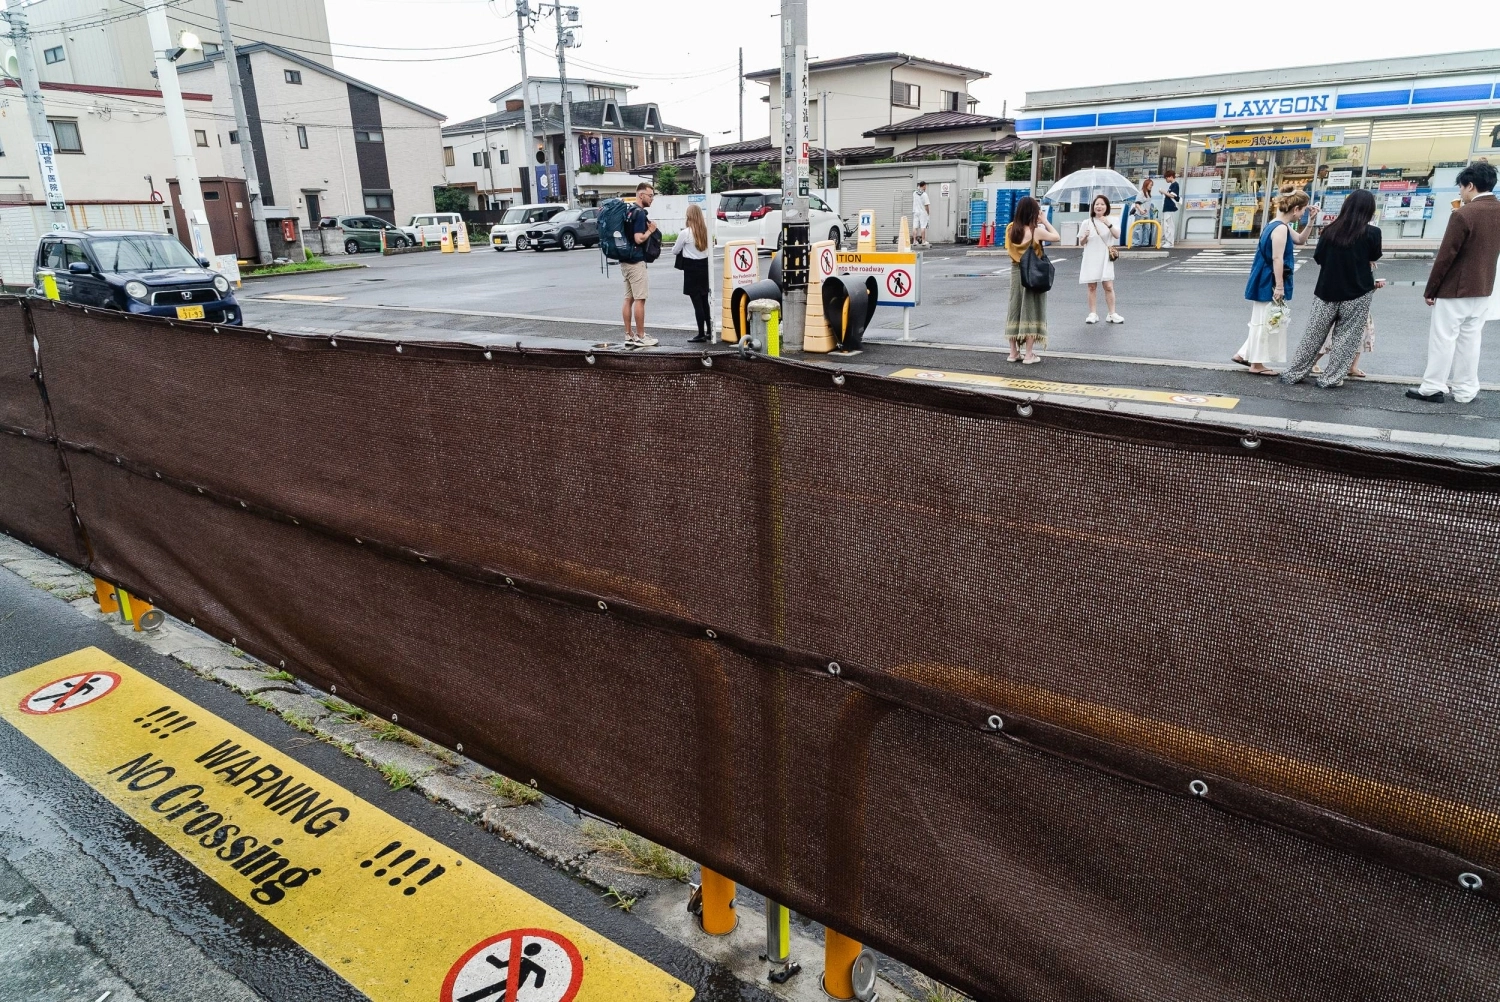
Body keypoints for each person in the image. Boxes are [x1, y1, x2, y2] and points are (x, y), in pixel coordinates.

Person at [1409, 161, 1500, 403]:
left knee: (1443, 339)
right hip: (1483, 288)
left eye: (1461, 187)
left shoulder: (1463, 214)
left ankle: (1432, 386)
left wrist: (1431, 290)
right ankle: (1465, 390)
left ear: (1470, 185)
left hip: (1455, 289)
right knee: (1471, 340)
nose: (1460, 192)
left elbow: (1445, 256)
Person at [1281, 189, 1382, 387]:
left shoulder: (1330, 230)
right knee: (1347, 338)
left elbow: (1319, 258)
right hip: (1358, 292)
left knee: (1314, 334)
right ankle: (1331, 379)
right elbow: (1374, 257)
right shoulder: (1373, 233)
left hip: (1326, 291)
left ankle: (1294, 373)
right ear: (1369, 210)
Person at [1232, 189, 1309, 375]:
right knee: (1268, 320)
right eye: (1304, 211)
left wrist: (1312, 221)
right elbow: (1277, 258)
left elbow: (1300, 240)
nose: (1303, 214)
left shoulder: (1275, 223)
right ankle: (1256, 364)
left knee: (1264, 318)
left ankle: (1244, 354)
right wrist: (1280, 286)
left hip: (1263, 278)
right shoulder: (1281, 228)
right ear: (1296, 208)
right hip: (1270, 280)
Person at [1004, 196, 1060, 364]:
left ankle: (1013, 353)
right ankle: (1029, 354)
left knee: (1015, 309)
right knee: (1031, 310)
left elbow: (1009, 248)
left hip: (1016, 272)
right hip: (1032, 273)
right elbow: (1056, 237)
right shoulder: (1036, 231)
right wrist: (1045, 220)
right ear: (1033, 212)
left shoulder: (1010, 229)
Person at [621, 181, 659, 348]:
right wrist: (651, 230)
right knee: (640, 299)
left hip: (625, 260)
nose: (652, 199)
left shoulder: (628, 211)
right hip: (636, 261)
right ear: (641, 195)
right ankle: (641, 336)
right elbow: (638, 238)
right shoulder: (640, 213)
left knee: (628, 298)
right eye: (650, 196)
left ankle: (628, 334)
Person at [1077, 194, 1123, 324]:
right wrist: (1085, 236)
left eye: (1102, 204)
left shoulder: (1112, 219)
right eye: (1097, 204)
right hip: (1091, 256)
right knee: (1091, 286)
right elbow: (1081, 242)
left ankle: (1112, 313)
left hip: (1105, 257)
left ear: (1107, 206)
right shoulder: (1087, 222)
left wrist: (1107, 223)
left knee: (1108, 285)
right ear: (1093, 206)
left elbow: (1117, 235)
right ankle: (1093, 314)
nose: (1099, 206)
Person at [675, 203, 711, 343]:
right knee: (704, 301)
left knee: (696, 302)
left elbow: (675, 250)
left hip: (691, 269)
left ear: (689, 216)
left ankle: (700, 333)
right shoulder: (705, 231)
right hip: (704, 267)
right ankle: (709, 331)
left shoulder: (685, 233)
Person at [1131, 177, 1158, 247]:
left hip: (1147, 214)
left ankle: (1145, 243)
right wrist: (1141, 210)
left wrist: (1152, 209)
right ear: (1146, 185)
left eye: (1152, 185)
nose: (1151, 186)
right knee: (1138, 228)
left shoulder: (1148, 194)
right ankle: (1135, 243)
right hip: (1140, 214)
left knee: (1147, 228)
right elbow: (1137, 204)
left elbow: (1148, 204)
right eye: (1150, 185)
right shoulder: (1141, 193)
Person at [1160, 170, 1180, 247]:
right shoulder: (1172, 185)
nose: (1166, 180)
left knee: (1169, 225)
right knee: (1166, 225)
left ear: (1171, 176)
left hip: (1170, 207)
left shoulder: (1175, 185)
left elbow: (1172, 196)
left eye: (1166, 178)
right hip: (1168, 207)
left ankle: (1170, 242)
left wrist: (1163, 192)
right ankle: (1167, 241)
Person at [912, 181, 931, 247]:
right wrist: (928, 213)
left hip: (915, 212)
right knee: (923, 226)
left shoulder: (914, 193)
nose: (926, 187)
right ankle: (923, 241)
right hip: (922, 212)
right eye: (925, 186)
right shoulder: (924, 194)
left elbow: (917, 192)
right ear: (924, 186)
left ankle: (914, 241)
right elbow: (926, 205)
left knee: (915, 227)